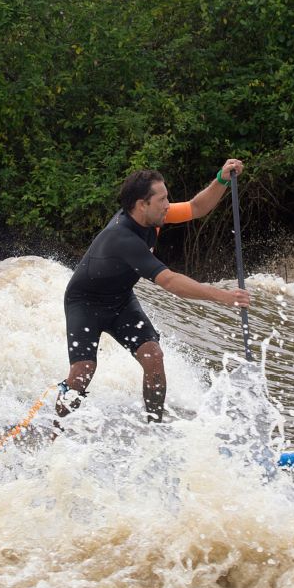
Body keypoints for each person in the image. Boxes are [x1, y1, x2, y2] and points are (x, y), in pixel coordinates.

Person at [58, 159, 251, 423]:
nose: (167, 205)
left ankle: (154, 428)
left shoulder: (153, 218)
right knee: (83, 371)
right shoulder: (122, 237)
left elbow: (196, 207)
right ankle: (58, 430)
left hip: (120, 300)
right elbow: (169, 281)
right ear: (142, 205)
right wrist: (222, 296)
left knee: (154, 357)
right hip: (85, 303)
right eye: (162, 199)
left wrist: (221, 179)